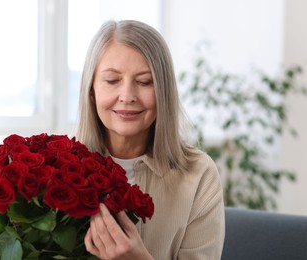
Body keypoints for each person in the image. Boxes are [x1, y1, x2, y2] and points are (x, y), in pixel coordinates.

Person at [75, 20, 225, 260]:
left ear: (164, 92)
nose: (127, 97)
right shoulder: (59, 168)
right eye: (112, 81)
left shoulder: (199, 175)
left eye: (145, 82)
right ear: (91, 90)